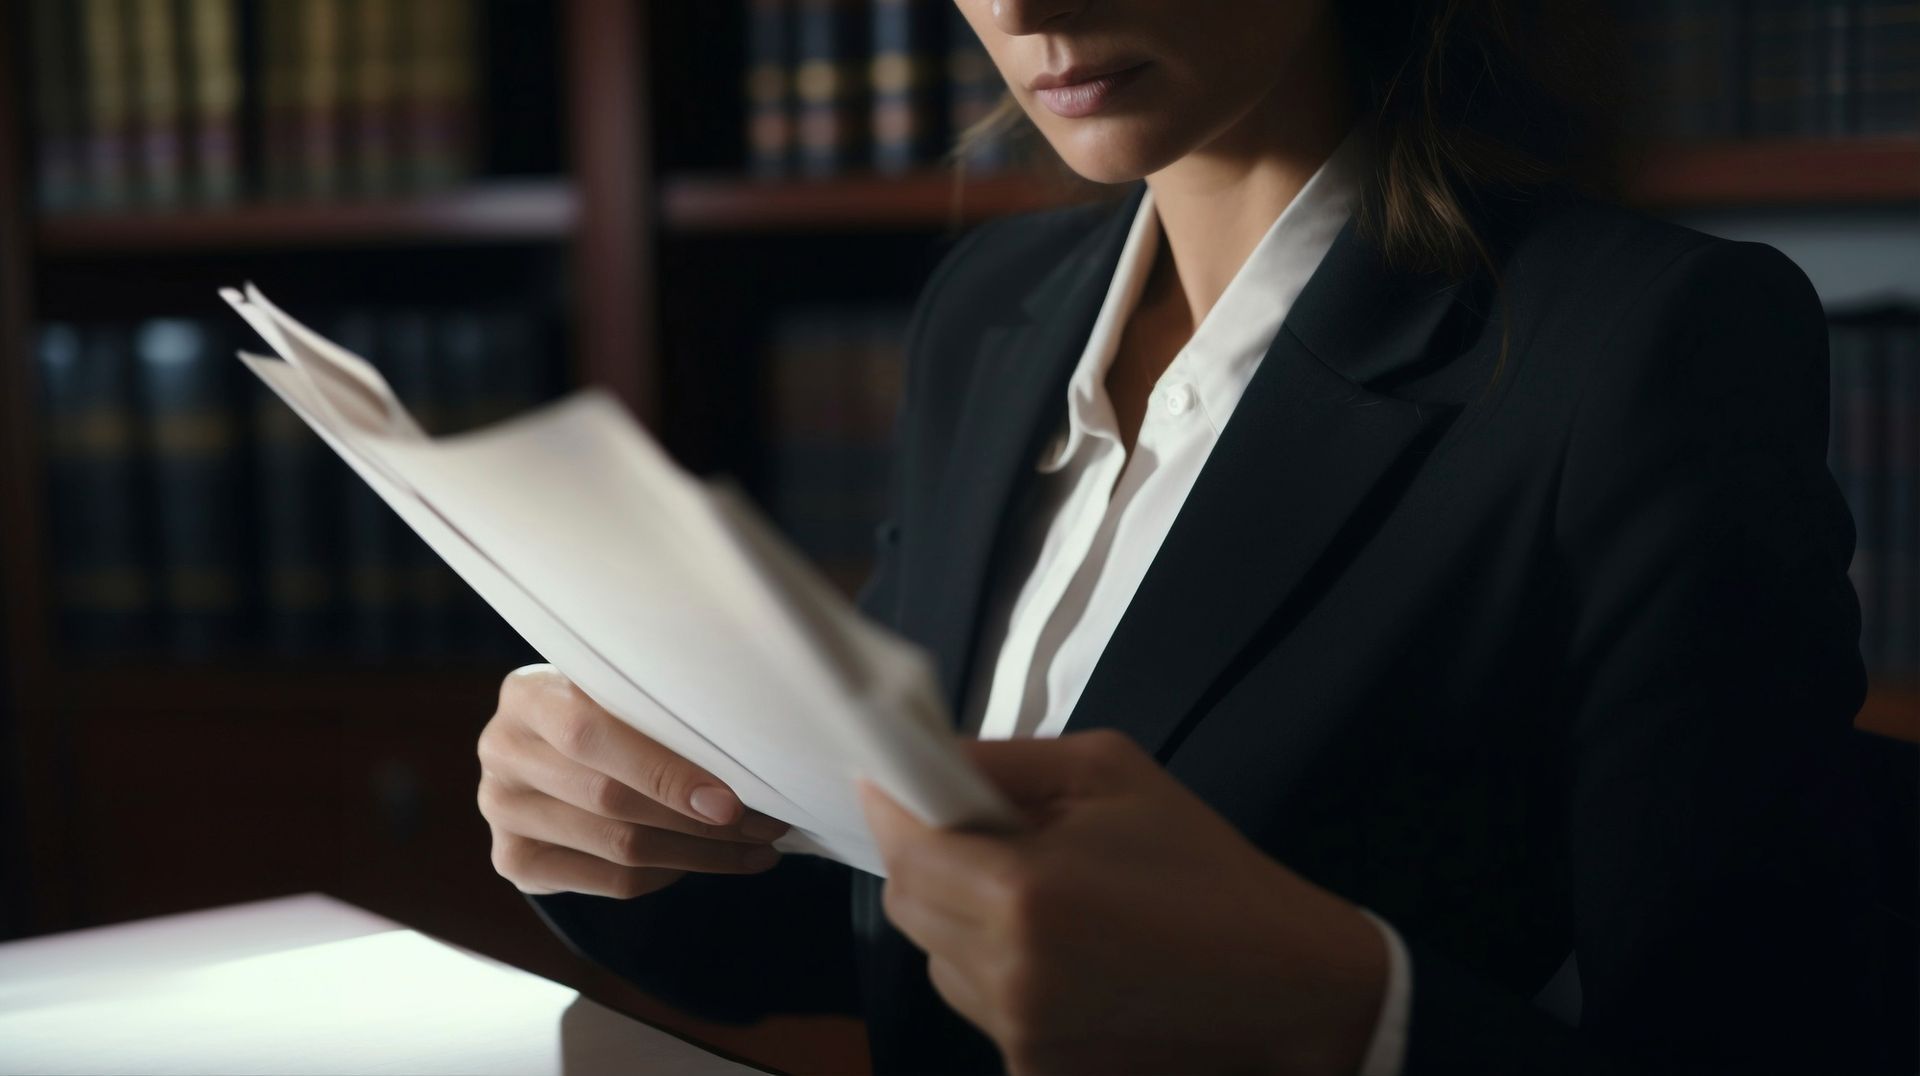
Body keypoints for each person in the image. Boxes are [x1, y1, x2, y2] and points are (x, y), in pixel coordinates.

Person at [474, 1, 1908, 1073]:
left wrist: (1353, 1014)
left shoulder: (1646, 346)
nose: (1028, 9)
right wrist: (615, 833)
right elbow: (901, 938)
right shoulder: (990, 306)